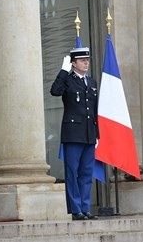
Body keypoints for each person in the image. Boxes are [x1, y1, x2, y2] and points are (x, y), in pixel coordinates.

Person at [50, 47, 99, 220]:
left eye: (87, 60)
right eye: (82, 60)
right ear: (73, 63)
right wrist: (63, 71)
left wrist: (97, 134)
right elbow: (55, 91)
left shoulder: (91, 82)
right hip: (73, 134)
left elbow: (94, 110)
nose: (86, 62)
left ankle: (85, 208)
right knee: (72, 172)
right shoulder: (68, 80)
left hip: (89, 133)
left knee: (86, 173)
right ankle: (76, 209)